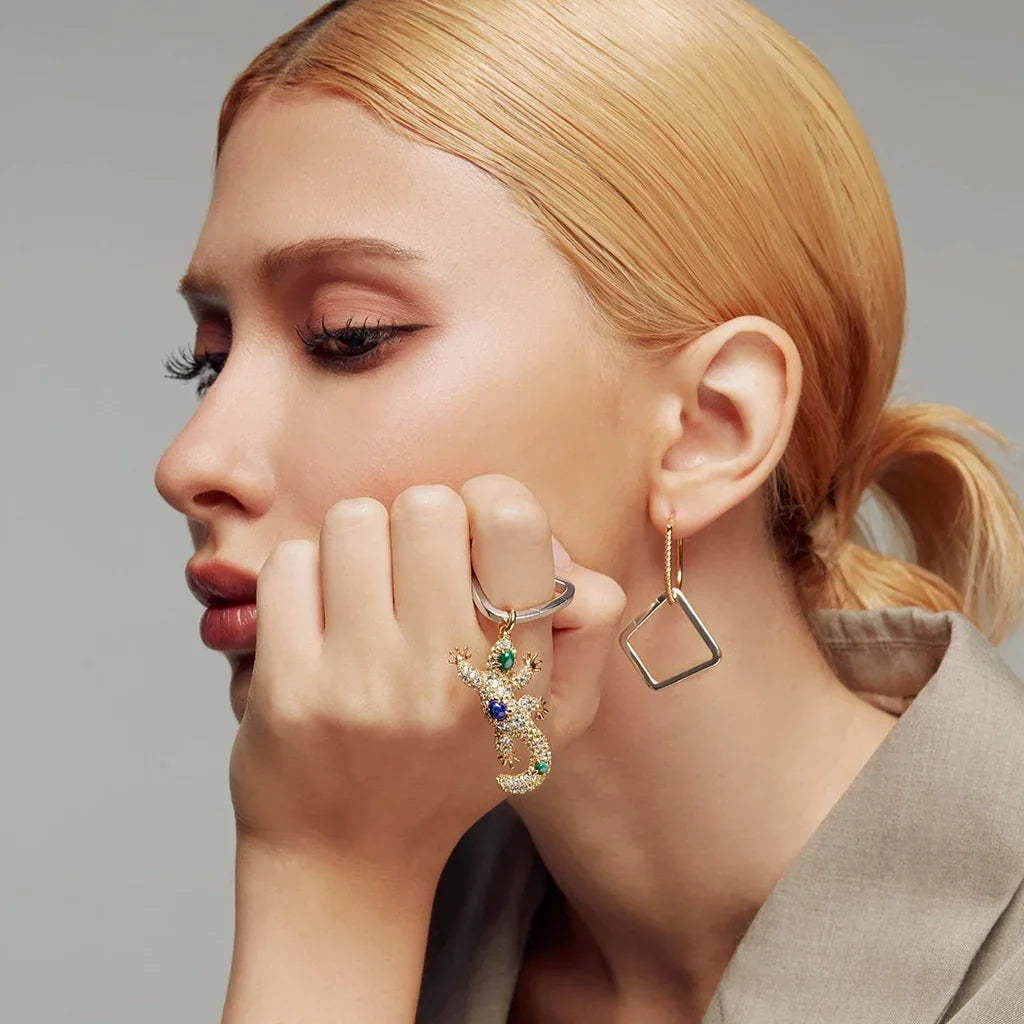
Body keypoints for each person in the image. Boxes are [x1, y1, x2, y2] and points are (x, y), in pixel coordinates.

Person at [152, 1, 1024, 1021]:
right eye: (205, 363)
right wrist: (337, 884)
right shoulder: (411, 861)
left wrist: (333, 888)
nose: (192, 460)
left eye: (349, 335)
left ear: (709, 427)